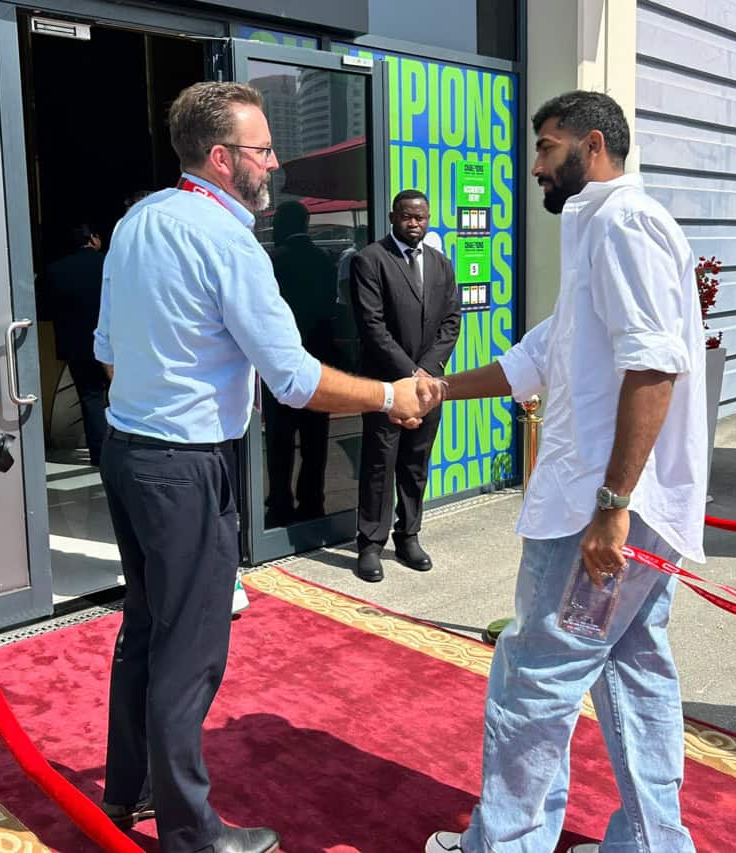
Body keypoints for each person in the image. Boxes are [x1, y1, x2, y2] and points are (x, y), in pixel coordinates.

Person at [93, 81, 440, 853]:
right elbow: (294, 379)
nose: (275, 163)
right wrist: (390, 394)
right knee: (190, 651)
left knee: (147, 629)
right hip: (185, 467)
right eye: (262, 149)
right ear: (221, 159)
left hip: (129, 453)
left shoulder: (135, 222)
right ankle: (190, 833)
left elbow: (108, 359)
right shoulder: (229, 242)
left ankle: (129, 790)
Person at [423, 91, 707, 853]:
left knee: (533, 682)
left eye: (546, 149)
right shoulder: (599, 233)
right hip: (619, 508)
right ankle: (651, 845)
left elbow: (654, 366)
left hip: (598, 514)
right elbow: (538, 359)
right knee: (635, 671)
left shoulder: (622, 223)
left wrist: (612, 505)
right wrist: (439, 388)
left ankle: (504, 843)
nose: (537, 167)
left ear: (592, 144)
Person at [350, 189, 460, 581]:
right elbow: (372, 327)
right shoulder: (370, 261)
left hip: (428, 386)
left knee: (416, 462)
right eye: (407, 217)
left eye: (421, 217)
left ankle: (408, 535)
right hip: (385, 384)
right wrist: (410, 375)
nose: (415, 224)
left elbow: (451, 322)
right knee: (380, 463)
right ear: (393, 216)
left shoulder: (441, 264)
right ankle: (370, 544)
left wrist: (427, 372)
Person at [263, 200, 338, 526]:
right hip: (317, 361)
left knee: (281, 441)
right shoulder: (324, 260)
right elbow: (329, 309)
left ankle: (280, 501)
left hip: (281, 363)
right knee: (315, 440)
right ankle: (313, 501)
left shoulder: (273, 260)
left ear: (281, 224)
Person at [41, 223, 109, 465]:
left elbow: (45, 308)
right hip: (114, 343)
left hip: (77, 345)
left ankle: (100, 454)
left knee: (90, 398)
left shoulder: (55, 270)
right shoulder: (110, 264)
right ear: (93, 239)